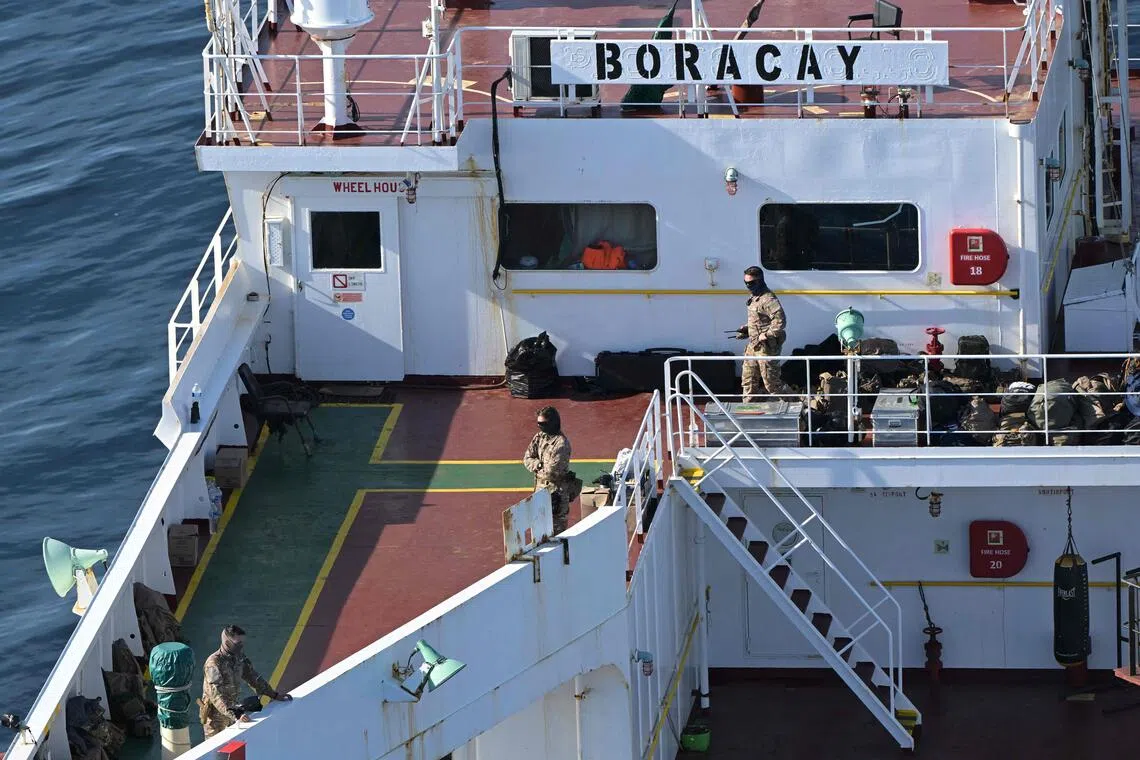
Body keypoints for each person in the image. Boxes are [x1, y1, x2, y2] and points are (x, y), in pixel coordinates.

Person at [199, 625, 291, 738]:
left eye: (242, 643)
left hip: (233, 713)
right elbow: (216, 694)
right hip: (215, 719)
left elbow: (253, 677)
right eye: (238, 643)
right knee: (216, 747)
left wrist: (274, 695)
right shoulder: (213, 663)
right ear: (227, 643)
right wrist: (236, 714)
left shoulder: (239, 657)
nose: (241, 646)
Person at [736, 266, 792, 402]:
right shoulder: (755, 297)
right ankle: (748, 410)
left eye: (751, 283)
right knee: (748, 381)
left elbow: (780, 322)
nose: (748, 286)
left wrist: (766, 335)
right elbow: (760, 321)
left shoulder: (768, 299)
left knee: (772, 384)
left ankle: (796, 405)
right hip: (753, 345)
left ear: (760, 281)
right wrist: (747, 329)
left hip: (766, 348)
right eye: (746, 283)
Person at [523, 406, 580, 535]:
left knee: (556, 535)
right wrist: (538, 464)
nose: (540, 427)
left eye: (543, 424)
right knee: (539, 533)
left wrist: (537, 466)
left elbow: (551, 472)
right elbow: (527, 458)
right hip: (540, 492)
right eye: (538, 423)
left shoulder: (561, 444)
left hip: (556, 496)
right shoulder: (540, 437)